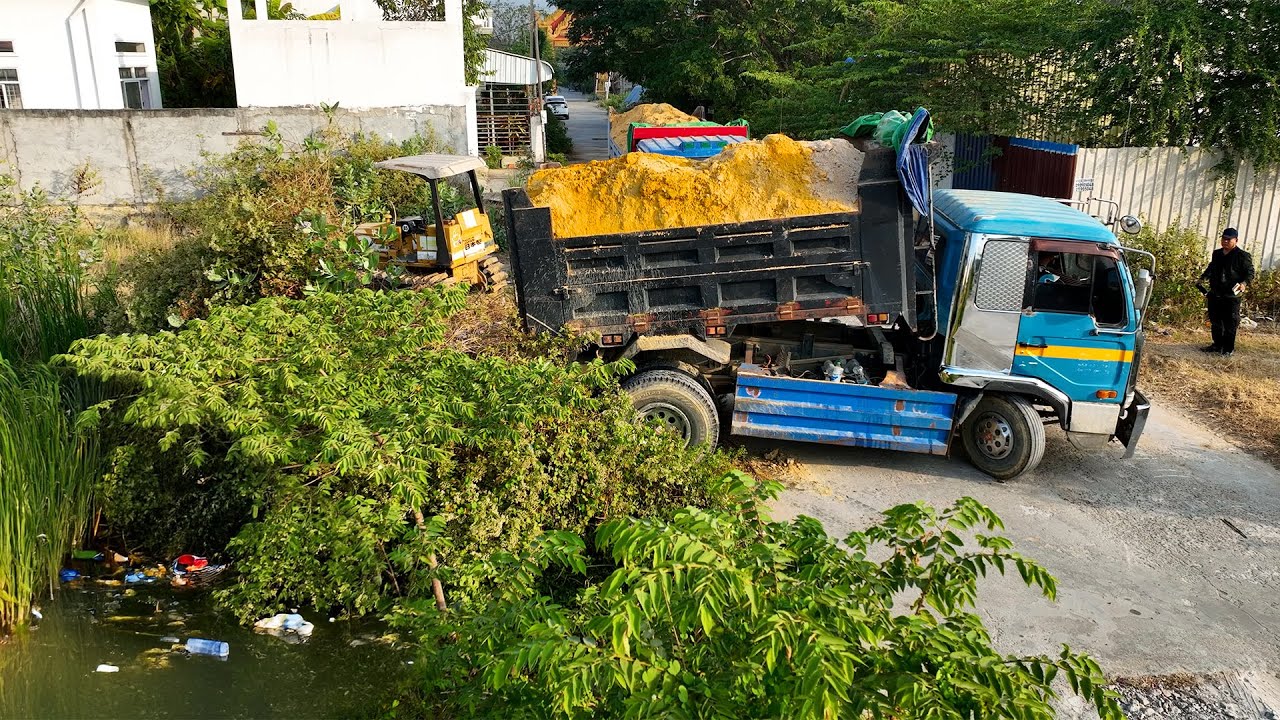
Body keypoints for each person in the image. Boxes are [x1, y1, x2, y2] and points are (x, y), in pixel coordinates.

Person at [1198, 227, 1255, 357]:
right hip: (1216, 292)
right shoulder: (1217, 254)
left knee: (1230, 322)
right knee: (1215, 320)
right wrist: (1203, 278)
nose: (1225, 241)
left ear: (1236, 240)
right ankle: (1217, 345)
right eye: (1223, 238)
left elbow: (1250, 273)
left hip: (1231, 295)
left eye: (1229, 239)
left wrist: (1244, 284)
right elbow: (1212, 267)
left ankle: (1228, 349)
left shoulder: (1242, 256)